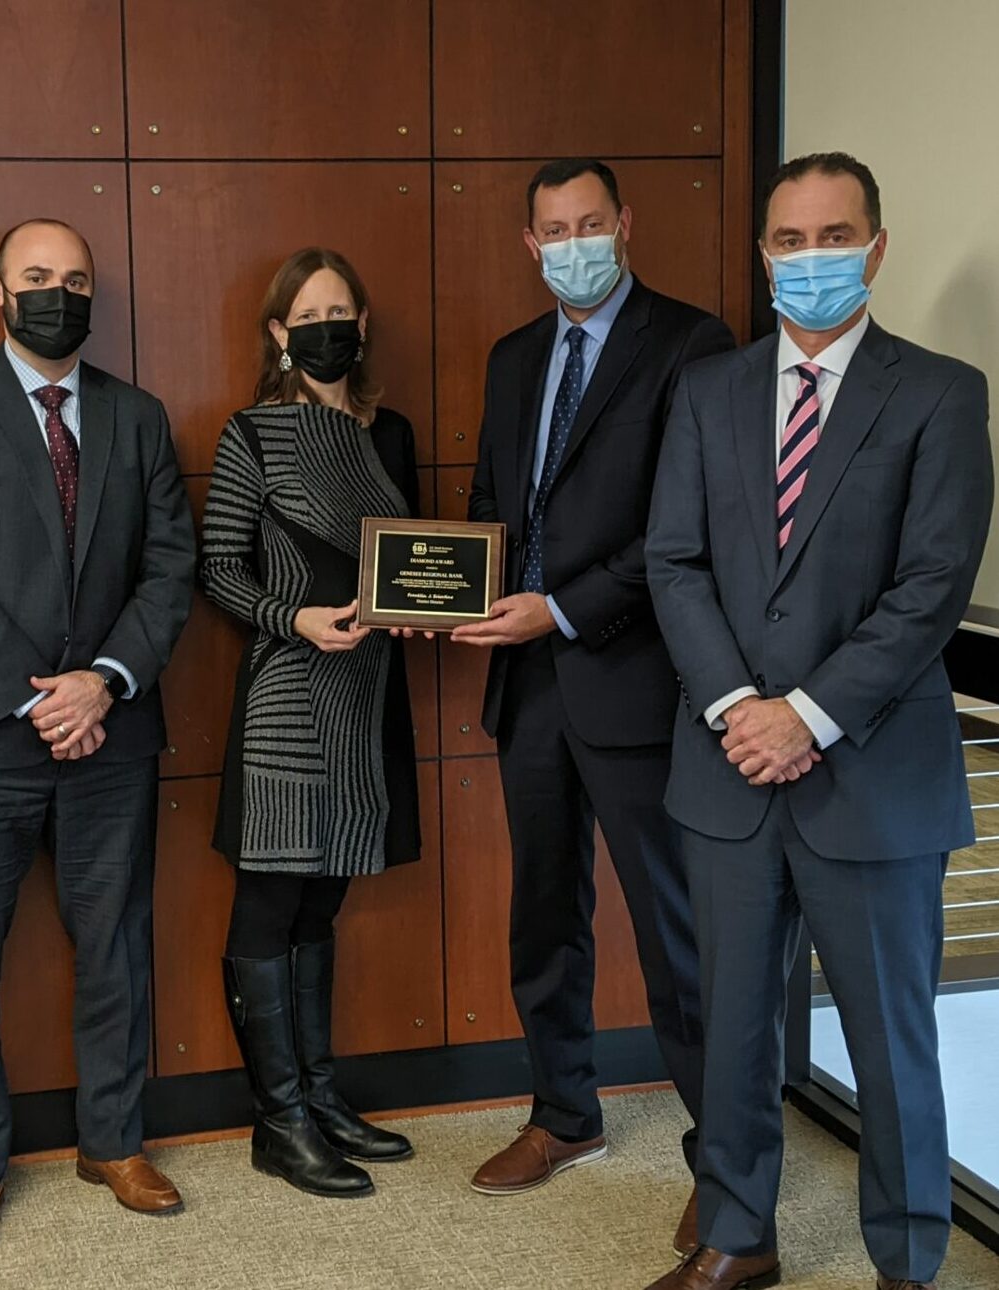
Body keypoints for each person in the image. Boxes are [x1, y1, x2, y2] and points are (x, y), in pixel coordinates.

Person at [644, 152, 992, 1290]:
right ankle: (740, 1236)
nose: (810, 261)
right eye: (788, 242)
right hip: (728, 770)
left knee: (892, 1045)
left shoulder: (942, 393)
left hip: (874, 775)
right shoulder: (708, 392)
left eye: (833, 237)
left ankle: (907, 1260)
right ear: (763, 254)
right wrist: (744, 708)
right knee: (733, 1027)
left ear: (877, 248)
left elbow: (931, 585)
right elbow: (675, 563)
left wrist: (809, 714)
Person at [0, 218, 196, 1258]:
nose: (56, 293)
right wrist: (42, 698)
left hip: (113, 729)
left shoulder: (140, 416)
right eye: (37, 277)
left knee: (116, 949)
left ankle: (113, 1142)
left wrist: (102, 684)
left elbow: (170, 567)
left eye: (74, 280)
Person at [452, 159, 735, 1255]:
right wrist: (465, 593)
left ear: (625, 225)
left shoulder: (691, 343)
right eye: (552, 229)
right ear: (529, 244)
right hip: (525, 692)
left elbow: (681, 528)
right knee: (545, 918)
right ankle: (565, 1114)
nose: (573, 242)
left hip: (632, 686)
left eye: (590, 223)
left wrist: (559, 612)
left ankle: (726, 1163)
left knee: (675, 936)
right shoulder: (514, 356)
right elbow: (495, 504)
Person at [200, 248, 423, 1200]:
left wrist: (427, 603)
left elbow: (419, 557)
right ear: (279, 333)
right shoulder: (247, 434)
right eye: (309, 312)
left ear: (361, 326)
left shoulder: (393, 431)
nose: (329, 326)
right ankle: (277, 1119)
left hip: (371, 697)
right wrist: (293, 618)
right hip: (288, 694)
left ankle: (320, 1095)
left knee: (325, 899)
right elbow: (216, 569)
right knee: (269, 902)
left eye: (344, 309)